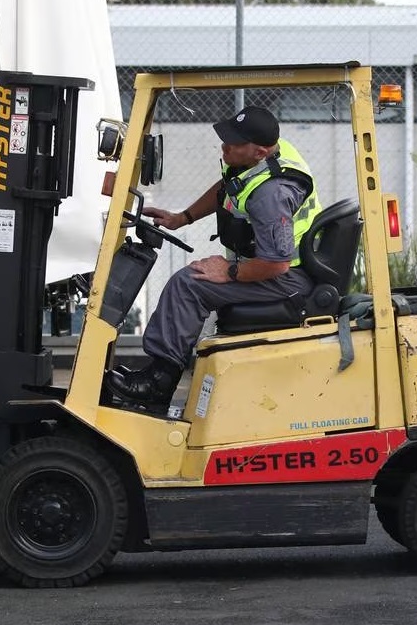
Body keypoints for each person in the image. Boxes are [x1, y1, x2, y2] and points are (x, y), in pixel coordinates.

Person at [108, 106, 321, 412]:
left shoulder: (271, 195)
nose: (225, 146)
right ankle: (160, 375)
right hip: (279, 269)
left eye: (233, 143)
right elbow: (228, 188)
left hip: (288, 279)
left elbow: (277, 263)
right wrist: (182, 218)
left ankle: (158, 384)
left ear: (260, 152)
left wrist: (229, 272)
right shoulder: (262, 159)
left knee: (189, 284)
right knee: (193, 279)